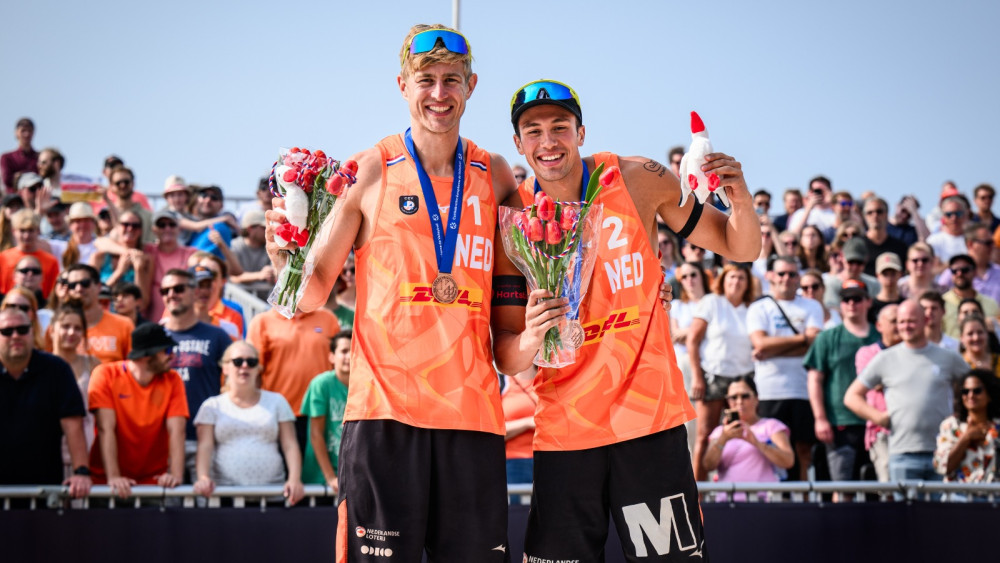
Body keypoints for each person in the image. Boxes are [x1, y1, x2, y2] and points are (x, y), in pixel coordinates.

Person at [264, 24, 517, 561]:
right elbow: (309, 296)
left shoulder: (494, 175)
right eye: (426, 79)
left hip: (471, 417)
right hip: (385, 415)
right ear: (402, 84)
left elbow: (520, 292)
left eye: (453, 79)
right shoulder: (371, 169)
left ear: (473, 85)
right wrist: (283, 260)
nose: (440, 94)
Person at [492, 78, 760, 561]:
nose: (548, 141)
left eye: (560, 127)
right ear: (518, 143)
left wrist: (739, 198)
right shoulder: (513, 216)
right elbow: (508, 357)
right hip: (566, 430)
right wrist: (532, 336)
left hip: (648, 422)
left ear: (581, 131)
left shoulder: (637, 177)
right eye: (533, 131)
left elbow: (741, 246)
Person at [845, 300, 969, 482]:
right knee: (903, 511)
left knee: (942, 511)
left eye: (911, 321)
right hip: (902, 453)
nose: (905, 326)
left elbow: (977, 384)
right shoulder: (885, 359)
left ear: (925, 320)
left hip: (943, 451)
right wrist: (878, 417)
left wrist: (964, 418)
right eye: (901, 321)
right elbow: (851, 396)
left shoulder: (947, 357)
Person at [193, 340, 304, 504]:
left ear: (258, 368)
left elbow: (290, 444)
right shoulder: (211, 406)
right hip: (225, 496)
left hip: (273, 495)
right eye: (238, 361)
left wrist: (295, 479)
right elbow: (205, 446)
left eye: (251, 362)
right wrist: (203, 477)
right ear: (225, 368)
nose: (244, 366)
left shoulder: (277, 401)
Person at [745, 256, 823, 480]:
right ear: (770, 276)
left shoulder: (811, 305)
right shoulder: (759, 307)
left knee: (803, 449)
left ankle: (803, 501)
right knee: (772, 448)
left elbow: (814, 346)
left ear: (798, 277)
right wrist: (802, 340)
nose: (786, 278)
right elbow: (760, 343)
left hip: (802, 388)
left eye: (791, 274)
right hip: (770, 390)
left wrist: (771, 349)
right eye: (781, 273)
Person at [88, 323, 188, 497]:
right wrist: (114, 477)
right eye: (166, 350)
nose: (172, 355)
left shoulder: (173, 379)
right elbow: (106, 428)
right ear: (146, 356)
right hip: (105, 482)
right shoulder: (105, 374)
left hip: (154, 483)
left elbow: (177, 430)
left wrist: (175, 475)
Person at [0, 308, 92, 497]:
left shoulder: (57, 370)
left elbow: (73, 425)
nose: (15, 336)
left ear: (33, 332)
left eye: (22, 329)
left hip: (45, 490)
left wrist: (81, 472)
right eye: (7, 331)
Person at [160, 268, 232, 479]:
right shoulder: (155, 336)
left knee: (204, 506)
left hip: (206, 438)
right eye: (165, 291)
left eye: (178, 288)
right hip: (164, 440)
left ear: (194, 292)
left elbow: (233, 382)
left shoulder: (217, 336)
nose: (171, 294)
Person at [804, 280, 879, 483]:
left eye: (857, 298)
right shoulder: (827, 338)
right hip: (841, 422)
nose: (852, 303)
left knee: (879, 490)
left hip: (877, 422)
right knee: (842, 486)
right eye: (846, 299)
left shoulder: (880, 336)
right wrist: (820, 418)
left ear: (868, 302)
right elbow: (814, 380)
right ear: (841, 304)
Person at [687, 264, 755, 480]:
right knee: (705, 436)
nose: (736, 282)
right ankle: (698, 493)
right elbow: (692, 340)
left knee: (741, 433)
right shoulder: (712, 302)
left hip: (744, 378)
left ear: (748, 282)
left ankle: (732, 487)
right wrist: (697, 377)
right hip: (713, 375)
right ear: (723, 280)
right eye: (732, 277)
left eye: (741, 278)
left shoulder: (752, 307)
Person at [702, 376, 794, 501]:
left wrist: (757, 442)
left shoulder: (771, 426)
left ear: (756, 398)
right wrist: (723, 438)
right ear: (727, 401)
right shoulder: (719, 432)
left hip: (764, 502)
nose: (739, 402)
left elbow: (788, 461)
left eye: (745, 396)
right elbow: (708, 465)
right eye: (733, 397)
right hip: (727, 503)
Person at [301, 330, 352, 492]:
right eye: (344, 351)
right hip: (321, 477)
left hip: (355, 476)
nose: (350, 356)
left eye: (355, 351)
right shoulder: (321, 384)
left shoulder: (369, 385)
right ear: (331, 356)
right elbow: (315, 433)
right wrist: (331, 477)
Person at [50, 304, 100, 473]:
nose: (71, 332)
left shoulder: (94, 364)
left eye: (77, 328)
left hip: (86, 449)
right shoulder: (41, 365)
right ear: (52, 329)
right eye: (65, 326)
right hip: (50, 450)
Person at [855, 304, 900, 482]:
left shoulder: (916, 353)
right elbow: (875, 383)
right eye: (894, 321)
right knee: (889, 485)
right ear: (880, 325)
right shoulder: (867, 353)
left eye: (902, 321)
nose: (899, 326)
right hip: (882, 430)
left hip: (914, 429)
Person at [669, 260, 710, 451]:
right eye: (684, 277)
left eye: (693, 274)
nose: (689, 280)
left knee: (709, 421)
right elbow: (675, 335)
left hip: (710, 362)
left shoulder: (712, 301)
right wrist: (701, 329)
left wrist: (689, 333)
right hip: (684, 364)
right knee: (690, 420)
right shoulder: (677, 305)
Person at [933, 369, 1000, 483]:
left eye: (977, 391)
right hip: (959, 496)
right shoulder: (951, 426)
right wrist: (966, 437)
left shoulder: (997, 426)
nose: (971, 395)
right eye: (965, 391)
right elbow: (943, 467)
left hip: (994, 496)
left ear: (989, 394)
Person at [60, 264, 134, 364]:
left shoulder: (124, 325)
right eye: (73, 285)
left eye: (85, 283)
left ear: (98, 287)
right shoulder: (58, 327)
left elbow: (133, 367)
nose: (78, 289)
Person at [145, 209, 196, 322]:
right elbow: (103, 241)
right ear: (154, 229)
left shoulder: (191, 253)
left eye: (172, 224)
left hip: (181, 324)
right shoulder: (148, 251)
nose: (167, 229)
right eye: (161, 225)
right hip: (153, 325)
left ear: (179, 228)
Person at [0, 209, 60, 297]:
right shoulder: (3, 258)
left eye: (31, 230)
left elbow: (53, 294)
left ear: (38, 231)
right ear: (13, 231)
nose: (26, 235)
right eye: (22, 230)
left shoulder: (51, 261)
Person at [938, 224, 1000, 304]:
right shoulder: (954, 272)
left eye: (992, 243)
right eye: (987, 243)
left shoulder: (998, 272)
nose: (992, 247)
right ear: (970, 244)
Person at [941, 254, 1000, 338]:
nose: (959, 273)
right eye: (954, 270)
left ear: (975, 272)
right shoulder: (941, 303)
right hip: (950, 351)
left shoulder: (991, 304)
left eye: (965, 270)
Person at [90, 210, 151, 291]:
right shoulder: (99, 257)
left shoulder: (145, 259)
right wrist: (119, 272)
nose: (130, 228)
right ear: (117, 228)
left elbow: (144, 301)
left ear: (140, 231)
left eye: (135, 226)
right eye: (125, 224)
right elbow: (92, 292)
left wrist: (139, 270)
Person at [501, 365, 537, 497]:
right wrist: (527, 423)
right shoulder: (502, 382)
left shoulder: (548, 380)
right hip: (515, 462)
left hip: (548, 459)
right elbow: (493, 431)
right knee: (517, 514)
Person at [228, 209, 275, 301]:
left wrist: (272, 274)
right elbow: (233, 277)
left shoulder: (270, 247)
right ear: (250, 229)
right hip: (239, 303)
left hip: (263, 303)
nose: (268, 230)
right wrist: (260, 275)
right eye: (263, 228)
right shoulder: (234, 246)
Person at [862, 197, 908, 277]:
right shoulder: (857, 245)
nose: (875, 215)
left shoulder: (900, 247)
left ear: (887, 214)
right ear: (864, 216)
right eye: (870, 212)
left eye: (879, 211)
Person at [787, 175, 836, 241]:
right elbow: (793, 235)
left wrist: (833, 203)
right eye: (817, 191)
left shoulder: (837, 212)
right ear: (810, 192)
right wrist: (809, 206)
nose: (820, 194)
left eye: (823, 190)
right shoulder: (801, 213)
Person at [927, 195, 970, 265]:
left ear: (965, 215)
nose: (954, 218)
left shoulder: (975, 240)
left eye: (958, 213)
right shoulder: (933, 241)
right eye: (949, 214)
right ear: (943, 217)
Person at [1, 118, 38, 193]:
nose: (27, 134)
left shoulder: (39, 157)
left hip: (37, 199)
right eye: (23, 130)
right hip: (15, 201)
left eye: (29, 131)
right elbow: (7, 180)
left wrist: (19, 176)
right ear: (16, 133)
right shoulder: (7, 158)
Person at [869, 252, 904, 323]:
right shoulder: (870, 307)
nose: (889, 278)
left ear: (900, 274)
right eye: (885, 274)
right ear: (877, 276)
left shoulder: (905, 305)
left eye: (893, 273)